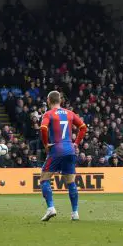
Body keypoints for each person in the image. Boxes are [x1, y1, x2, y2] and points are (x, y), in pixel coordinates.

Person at [39, 91, 87, 222]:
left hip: (56, 149)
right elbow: (83, 127)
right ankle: (75, 212)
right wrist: (76, 143)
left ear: (49, 100)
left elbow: (43, 128)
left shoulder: (48, 114)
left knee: (44, 178)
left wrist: (45, 144)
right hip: (70, 150)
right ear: (60, 100)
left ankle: (51, 208)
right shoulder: (70, 113)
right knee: (71, 181)